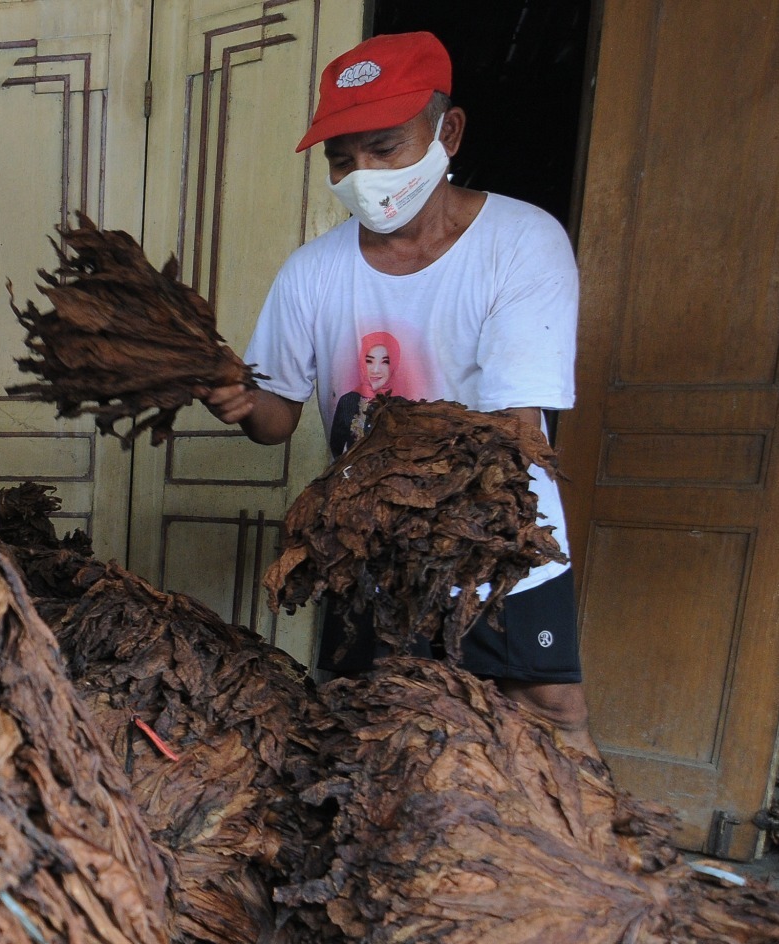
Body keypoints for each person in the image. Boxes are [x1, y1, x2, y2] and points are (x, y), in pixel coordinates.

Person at [202, 30, 599, 758]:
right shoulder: (311, 273)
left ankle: (588, 865)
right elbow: (275, 419)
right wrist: (232, 397)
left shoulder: (521, 242)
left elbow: (513, 431)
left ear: (448, 131)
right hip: (369, 550)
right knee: (374, 732)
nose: (363, 175)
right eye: (342, 160)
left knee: (547, 713)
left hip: (504, 540)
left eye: (384, 148)